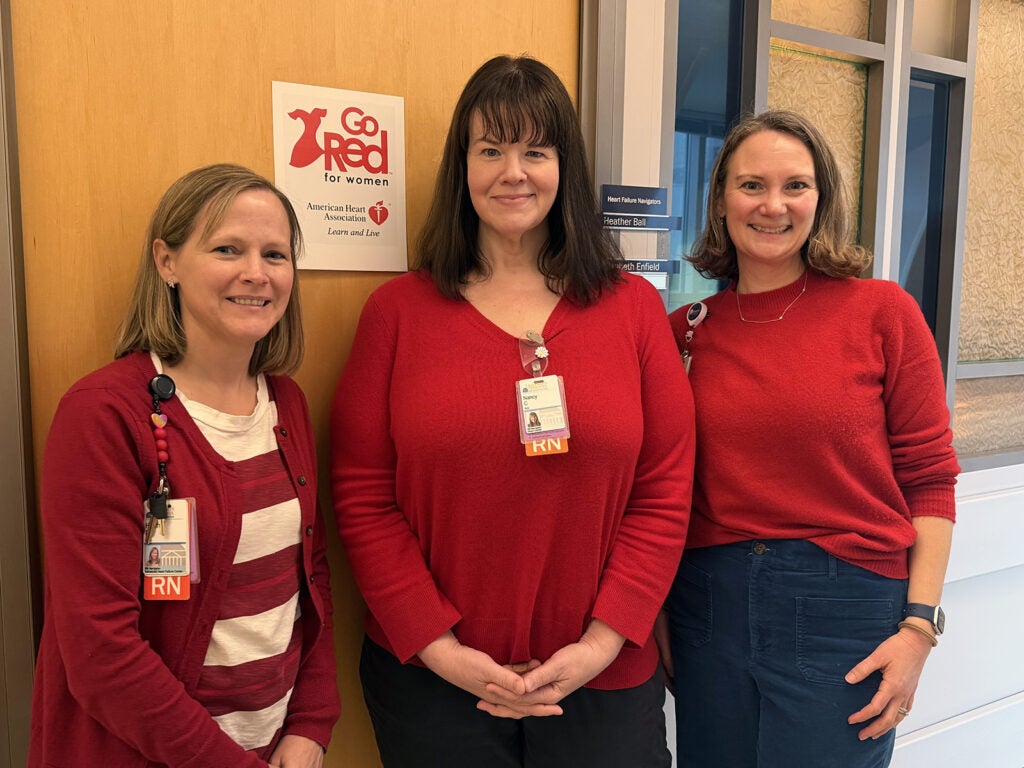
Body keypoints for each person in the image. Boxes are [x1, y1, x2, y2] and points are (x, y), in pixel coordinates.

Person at [331, 55, 695, 767]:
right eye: (490, 149)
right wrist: (439, 649)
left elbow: (665, 489)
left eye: (536, 150)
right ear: (461, 166)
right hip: (431, 683)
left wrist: (603, 640)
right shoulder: (396, 314)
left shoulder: (634, 311)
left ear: (566, 167)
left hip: (605, 674)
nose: (513, 172)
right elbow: (362, 494)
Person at [663, 110, 959, 768]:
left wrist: (919, 626)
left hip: (845, 608)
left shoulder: (882, 313)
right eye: (750, 186)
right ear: (719, 200)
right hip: (707, 604)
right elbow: (659, 486)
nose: (773, 205)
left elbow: (931, 477)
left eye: (795, 185)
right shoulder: (684, 331)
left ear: (821, 199)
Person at [29, 164, 339, 768]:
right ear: (166, 262)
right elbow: (100, 654)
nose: (256, 272)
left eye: (275, 254)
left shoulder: (287, 404)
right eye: (228, 249)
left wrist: (311, 724)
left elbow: (311, 578)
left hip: (274, 749)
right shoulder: (103, 415)